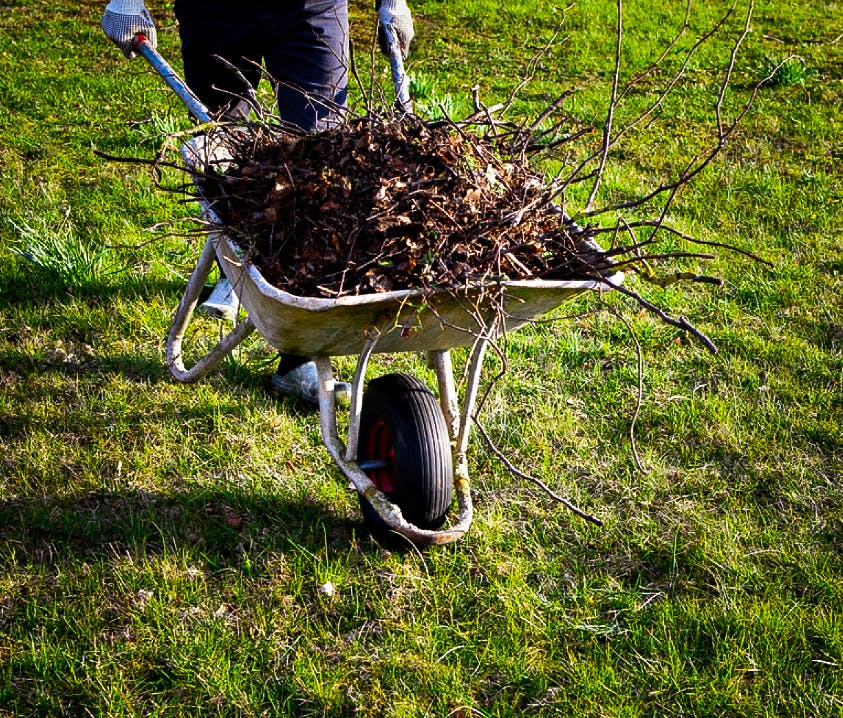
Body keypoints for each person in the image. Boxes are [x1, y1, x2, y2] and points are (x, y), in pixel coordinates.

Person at [101, 0, 414, 403]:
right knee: (227, 154)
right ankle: (242, 270)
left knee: (322, 169)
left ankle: (298, 353)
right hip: (216, 10)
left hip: (311, 6)